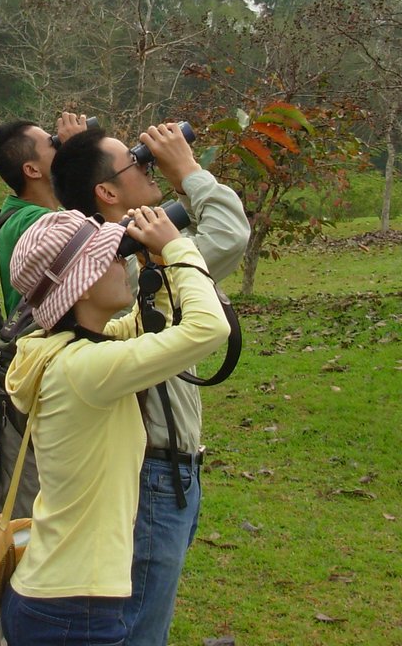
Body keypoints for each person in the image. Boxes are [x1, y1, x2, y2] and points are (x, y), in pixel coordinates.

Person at [50, 122, 249, 646]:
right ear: (107, 193)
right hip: (156, 475)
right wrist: (187, 169)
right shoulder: (130, 273)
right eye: (136, 162)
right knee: (138, 633)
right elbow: (230, 234)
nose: (149, 165)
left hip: (169, 471)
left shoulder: (122, 265)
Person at [1, 206, 230, 645]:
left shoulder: (58, 348)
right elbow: (207, 328)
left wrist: (154, 265)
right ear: (80, 285)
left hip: (55, 594)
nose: (121, 260)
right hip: (75, 608)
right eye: (109, 257)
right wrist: (178, 247)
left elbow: (149, 326)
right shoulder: (86, 368)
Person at [0, 111, 85, 646]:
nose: (61, 144)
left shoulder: (37, 215)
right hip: (31, 403)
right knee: (15, 533)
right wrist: (88, 158)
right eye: (53, 143)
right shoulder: (27, 225)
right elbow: (90, 255)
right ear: (35, 168)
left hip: (46, 395)